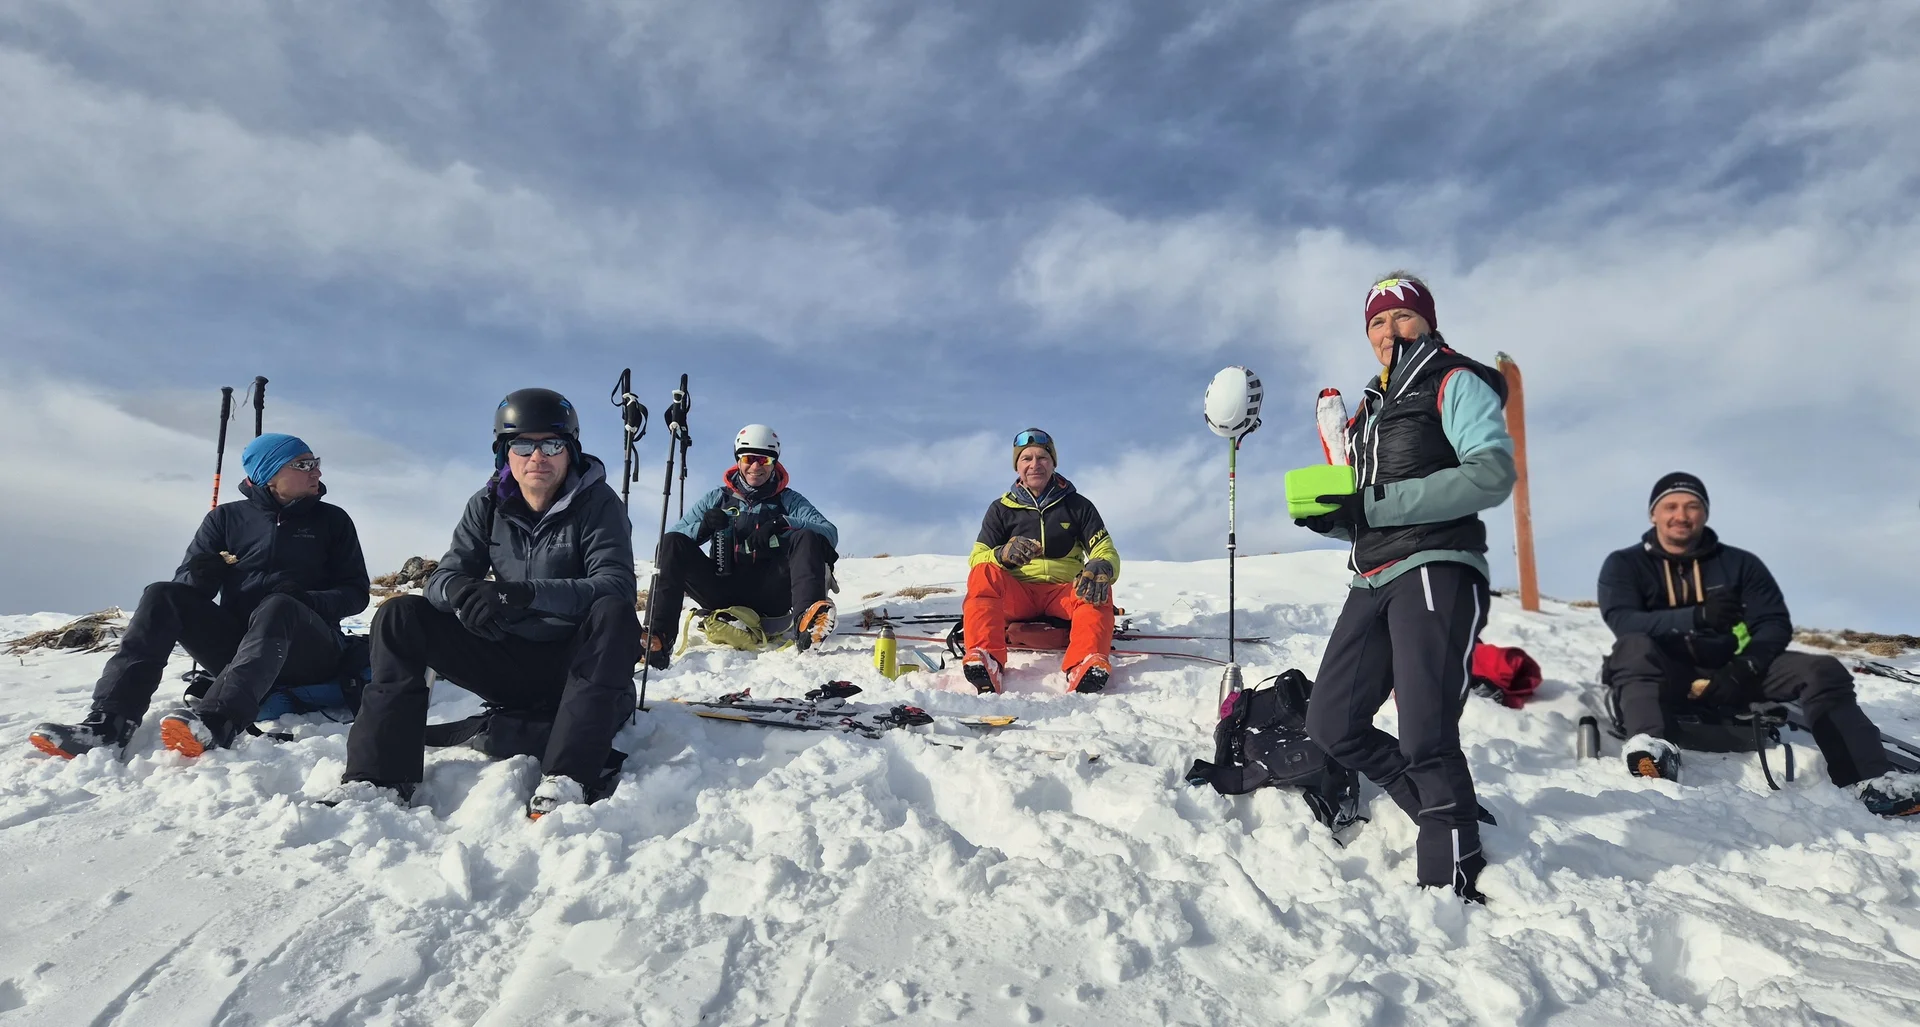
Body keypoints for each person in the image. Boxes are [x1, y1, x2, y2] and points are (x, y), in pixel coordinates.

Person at [1294, 273, 1515, 901]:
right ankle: (1438, 808)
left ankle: (1450, 877)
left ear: (1427, 321)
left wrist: (1374, 504)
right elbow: (1372, 505)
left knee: (1426, 731)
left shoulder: (1453, 379)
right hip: (1373, 576)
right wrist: (1340, 517)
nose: (1389, 330)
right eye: (1377, 322)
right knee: (1331, 723)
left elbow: (1491, 473)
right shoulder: (1370, 409)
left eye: (1402, 316)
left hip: (1436, 565)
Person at [339, 389, 639, 819]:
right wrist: (461, 594)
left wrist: (523, 593)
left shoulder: (600, 504)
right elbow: (442, 578)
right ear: (504, 452)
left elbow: (615, 585)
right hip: (506, 659)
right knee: (399, 615)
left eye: (552, 444)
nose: (538, 457)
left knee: (614, 613)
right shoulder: (486, 504)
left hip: (574, 666)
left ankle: (569, 777)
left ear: (571, 450)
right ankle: (380, 776)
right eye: (523, 445)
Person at [29, 433, 370, 759]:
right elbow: (186, 587)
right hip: (239, 649)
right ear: (268, 473)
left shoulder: (332, 521)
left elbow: (355, 593)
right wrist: (201, 576)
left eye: (315, 462)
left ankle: (218, 721)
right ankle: (109, 724)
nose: (317, 472)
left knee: (279, 605)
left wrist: (308, 600)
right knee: (162, 594)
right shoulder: (225, 518)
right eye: (304, 464)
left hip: (310, 651)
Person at [1597, 472, 1919, 815]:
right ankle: (1652, 751)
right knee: (1632, 649)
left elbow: (1773, 622)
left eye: (1692, 506)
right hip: (1663, 674)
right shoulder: (1625, 564)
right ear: (1653, 514)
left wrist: (1743, 667)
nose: (1682, 515)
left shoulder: (1739, 564)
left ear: (1705, 513)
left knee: (1822, 669)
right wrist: (1697, 617)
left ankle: (1868, 780)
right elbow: (1624, 621)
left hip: (1733, 673)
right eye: (1671, 506)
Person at [642, 424, 840, 666]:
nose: (756, 466)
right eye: (749, 459)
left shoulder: (789, 500)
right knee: (671, 543)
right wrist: (703, 528)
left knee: (807, 536)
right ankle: (656, 639)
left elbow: (829, 533)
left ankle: (807, 627)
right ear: (738, 460)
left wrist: (783, 522)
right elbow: (671, 539)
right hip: (721, 587)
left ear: (774, 463)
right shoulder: (717, 498)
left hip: (772, 593)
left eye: (764, 460)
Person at [961, 428, 1121, 694]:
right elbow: (977, 558)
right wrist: (1001, 555)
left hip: (1063, 594)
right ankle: (986, 658)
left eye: (1042, 457)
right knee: (983, 573)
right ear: (1017, 466)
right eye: (1026, 458)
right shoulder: (1000, 509)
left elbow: (1104, 549)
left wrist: (1101, 565)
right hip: (1018, 595)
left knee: (1095, 583)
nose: (1035, 464)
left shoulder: (1078, 506)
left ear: (1053, 463)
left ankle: (1085, 662)